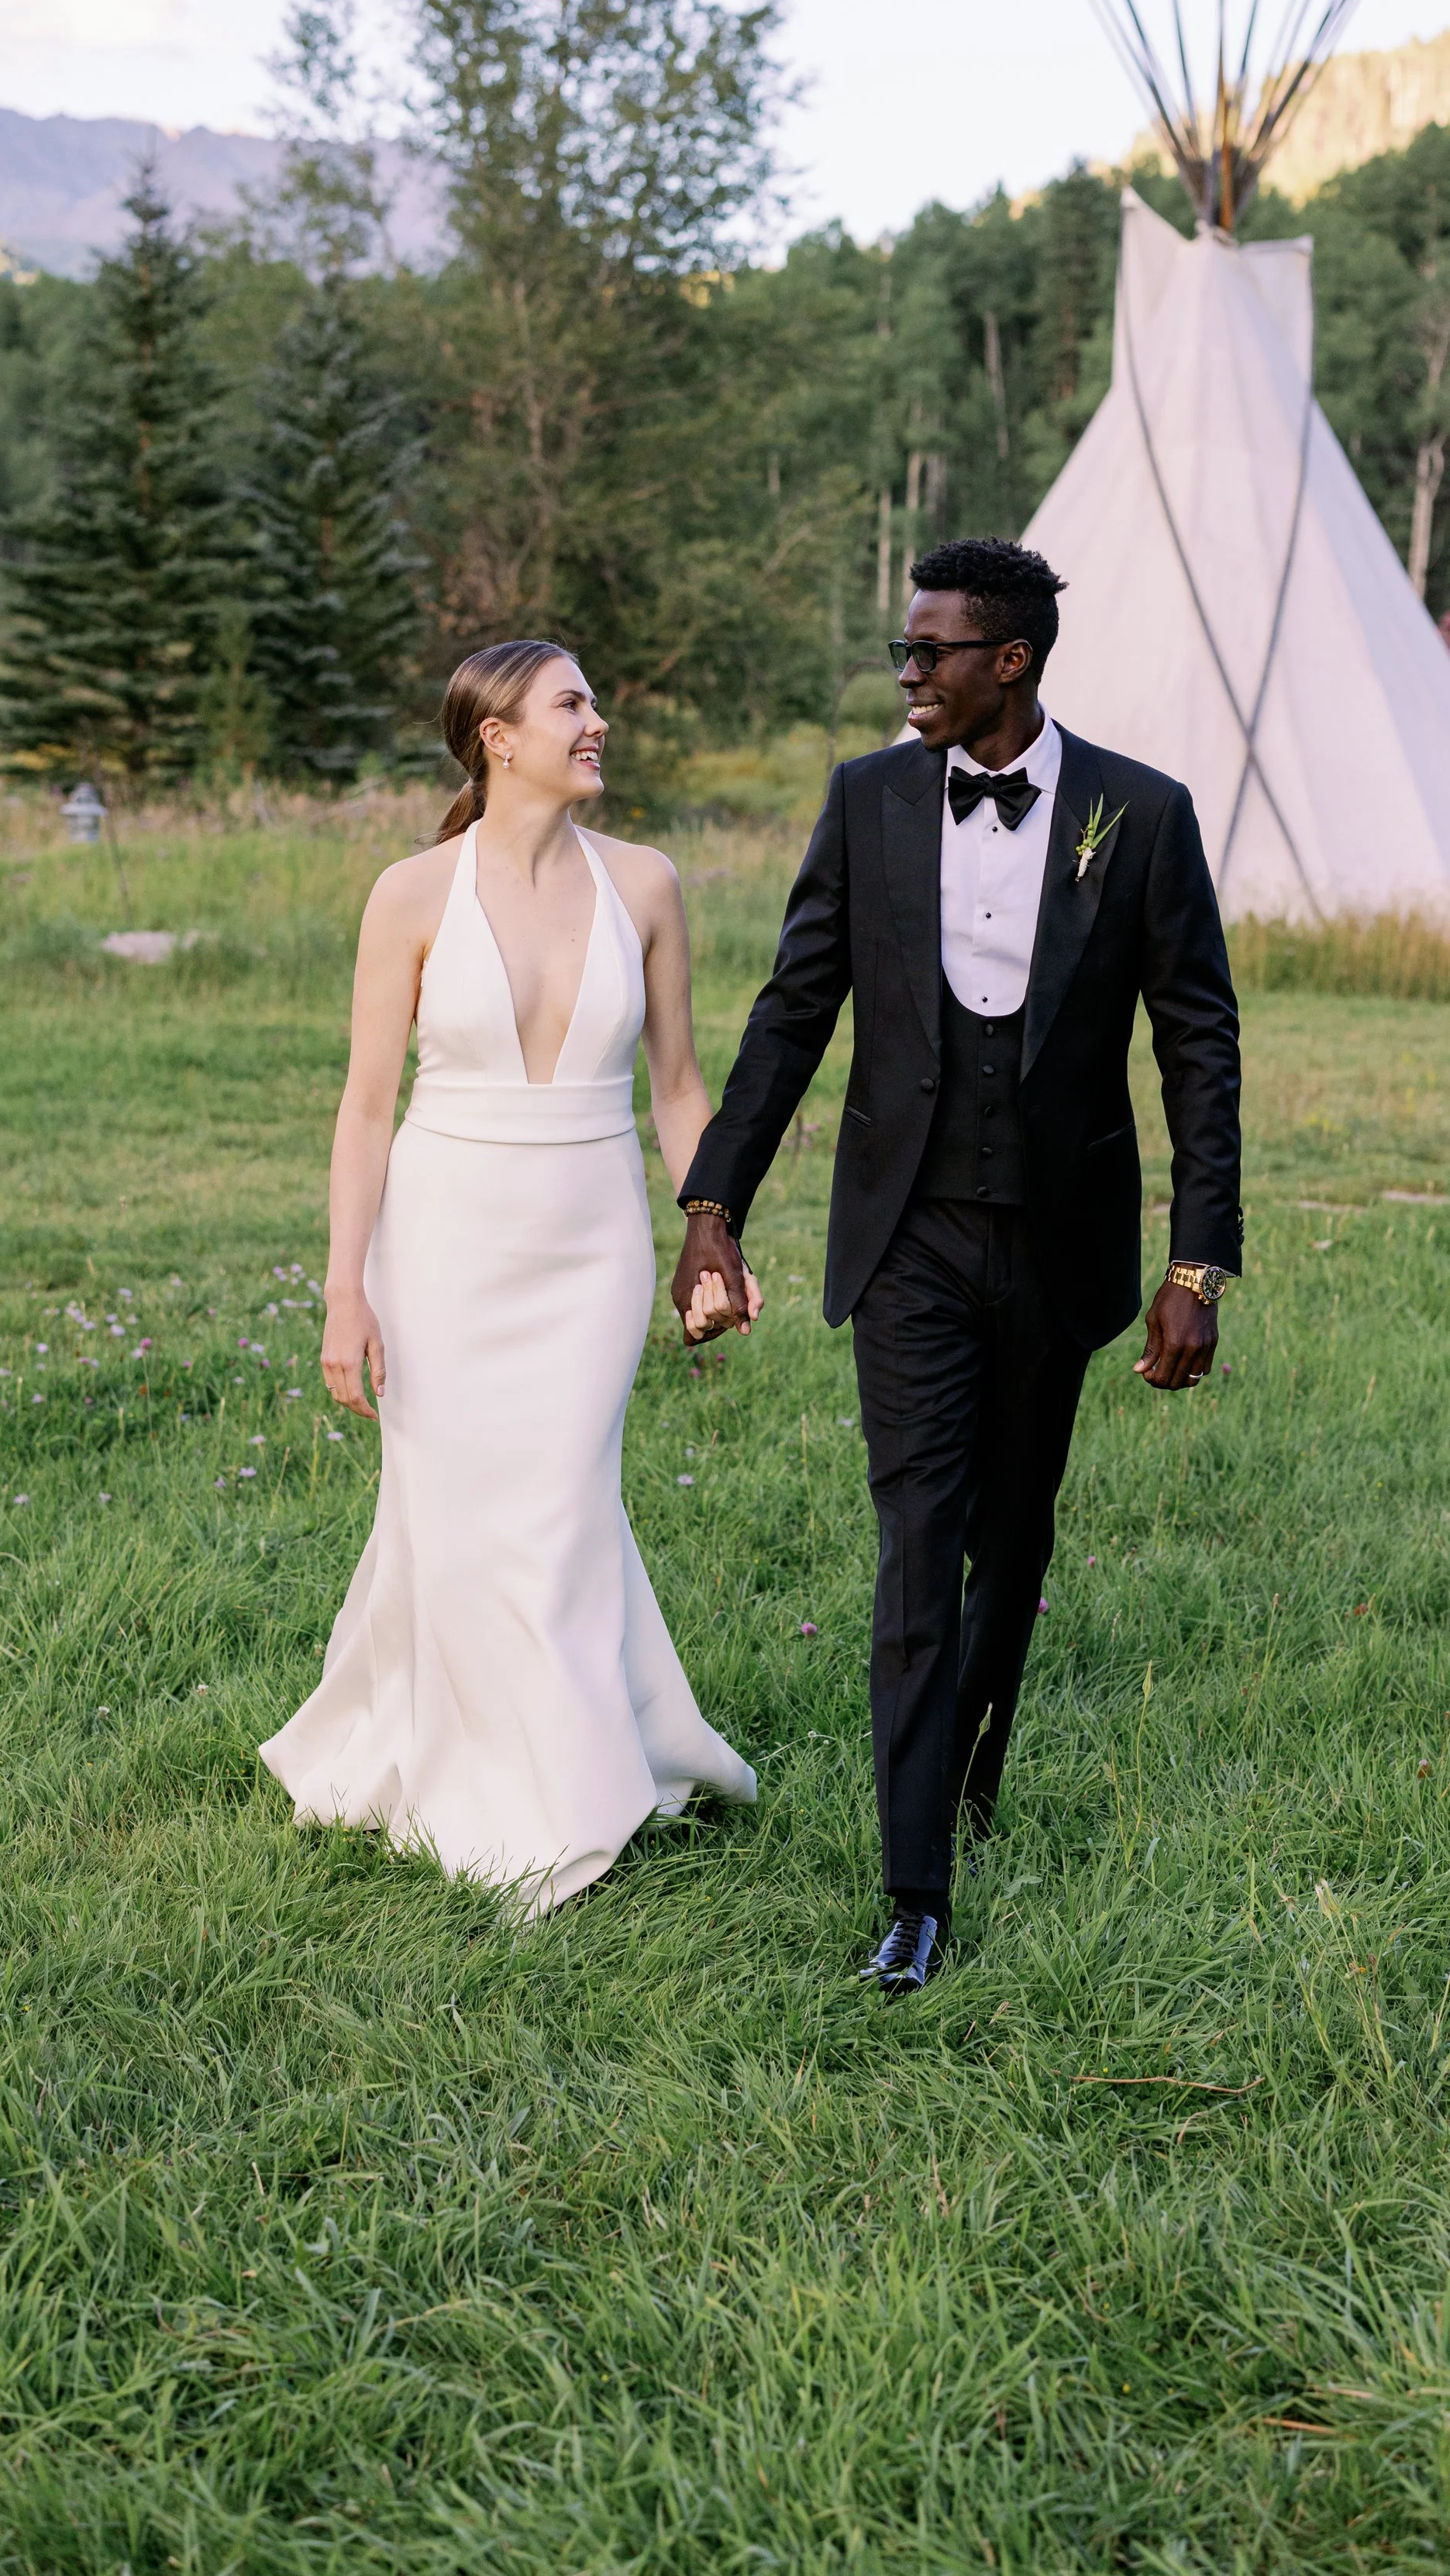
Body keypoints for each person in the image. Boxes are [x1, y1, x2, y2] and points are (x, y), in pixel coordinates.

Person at [671, 538, 1242, 1991]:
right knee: (918, 1544)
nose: (907, 674)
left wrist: (1197, 1266)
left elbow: (1198, 1042)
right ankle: (915, 1888)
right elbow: (796, 1004)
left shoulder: (1142, 813)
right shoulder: (867, 801)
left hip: (1061, 1239)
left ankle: (978, 1757)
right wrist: (713, 1201)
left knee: (1016, 1535)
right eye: (903, 652)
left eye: (931, 652)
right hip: (907, 1234)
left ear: (1012, 661)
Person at [262, 640, 758, 1910]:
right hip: (442, 1238)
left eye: (592, 700)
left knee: (561, 1504)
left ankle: (566, 1776)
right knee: (459, 1507)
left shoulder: (645, 884)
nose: (600, 723)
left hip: (593, 1243)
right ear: (499, 736)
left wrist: (716, 1230)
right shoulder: (411, 896)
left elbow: (682, 1086)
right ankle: (501, 1781)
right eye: (573, 705)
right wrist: (343, 1291)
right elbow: (366, 1109)